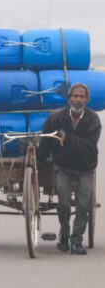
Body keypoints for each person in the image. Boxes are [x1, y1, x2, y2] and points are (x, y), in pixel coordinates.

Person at [38, 83, 101, 255]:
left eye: (82, 97)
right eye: (75, 96)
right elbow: (46, 142)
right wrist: (39, 161)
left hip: (85, 167)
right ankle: (64, 234)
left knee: (82, 206)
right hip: (63, 166)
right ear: (69, 98)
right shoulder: (56, 117)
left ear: (87, 100)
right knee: (64, 204)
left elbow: (89, 147)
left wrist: (66, 137)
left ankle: (77, 240)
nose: (78, 100)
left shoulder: (93, 120)